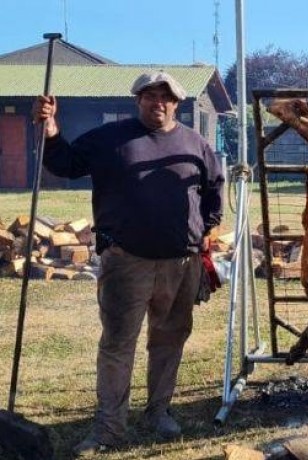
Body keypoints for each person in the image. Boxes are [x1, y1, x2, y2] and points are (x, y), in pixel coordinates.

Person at [32, 71, 225, 455]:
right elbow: (66, 164)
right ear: (138, 99)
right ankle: (109, 428)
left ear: (177, 103)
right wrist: (51, 129)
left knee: (169, 339)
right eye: (150, 96)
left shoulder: (195, 144)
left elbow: (213, 187)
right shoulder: (109, 138)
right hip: (126, 261)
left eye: (165, 97)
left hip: (180, 262)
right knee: (118, 344)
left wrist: (207, 227)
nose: (158, 103)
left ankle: (159, 412)